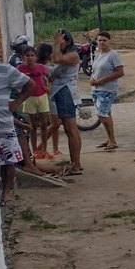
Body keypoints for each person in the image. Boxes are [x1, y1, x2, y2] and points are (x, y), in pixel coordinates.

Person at [0, 35, 36, 205]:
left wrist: (16, 102)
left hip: (3, 126)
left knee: (8, 163)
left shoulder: (5, 70)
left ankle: (6, 193)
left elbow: (30, 85)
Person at [49, 29, 83, 176]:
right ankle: (76, 163)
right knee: (70, 130)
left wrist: (56, 44)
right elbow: (55, 72)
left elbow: (57, 60)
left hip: (66, 92)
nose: (57, 42)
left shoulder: (72, 54)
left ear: (67, 41)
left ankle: (75, 165)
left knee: (71, 130)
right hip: (61, 91)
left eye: (60, 40)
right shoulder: (63, 54)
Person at [89, 31, 125, 150]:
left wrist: (102, 80)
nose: (102, 42)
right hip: (96, 89)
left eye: (104, 40)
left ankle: (113, 140)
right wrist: (92, 79)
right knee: (105, 114)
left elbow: (120, 72)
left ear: (109, 41)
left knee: (102, 114)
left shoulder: (113, 55)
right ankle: (109, 138)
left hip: (107, 90)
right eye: (99, 40)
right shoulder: (98, 55)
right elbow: (94, 71)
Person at [17, 46, 51, 157]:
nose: (30, 58)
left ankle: (45, 149)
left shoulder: (41, 67)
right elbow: (15, 82)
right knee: (32, 125)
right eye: (27, 56)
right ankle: (35, 150)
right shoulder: (20, 68)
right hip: (29, 98)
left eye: (32, 55)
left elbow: (50, 78)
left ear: (36, 57)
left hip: (42, 96)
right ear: (23, 57)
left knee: (44, 124)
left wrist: (47, 87)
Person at [38, 43, 62, 157]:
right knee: (55, 124)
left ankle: (55, 149)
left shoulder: (43, 66)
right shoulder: (46, 67)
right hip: (50, 96)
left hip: (51, 95)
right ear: (48, 54)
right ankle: (39, 148)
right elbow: (54, 75)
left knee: (54, 123)